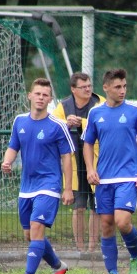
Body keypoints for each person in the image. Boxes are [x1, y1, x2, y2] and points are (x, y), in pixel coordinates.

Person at [82, 68, 137, 274]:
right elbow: (87, 143)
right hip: (104, 179)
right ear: (106, 88)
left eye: (124, 86)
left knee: (122, 221)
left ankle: (135, 256)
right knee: (106, 225)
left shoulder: (134, 110)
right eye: (117, 87)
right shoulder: (95, 113)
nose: (122, 91)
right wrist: (90, 169)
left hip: (128, 176)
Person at [2, 78, 74, 274]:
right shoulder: (19, 121)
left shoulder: (58, 126)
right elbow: (13, 146)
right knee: (30, 235)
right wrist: (7, 162)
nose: (41, 98)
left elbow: (67, 158)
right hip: (27, 187)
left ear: (50, 99)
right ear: (30, 96)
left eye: (45, 95)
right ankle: (58, 266)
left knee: (36, 227)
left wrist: (67, 189)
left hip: (49, 185)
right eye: (38, 94)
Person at [53, 72, 104, 252]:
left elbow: (102, 122)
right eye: (83, 87)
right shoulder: (63, 106)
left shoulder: (100, 103)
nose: (88, 89)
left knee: (97, 207)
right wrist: (66, 123)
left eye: (89, 85)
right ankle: (80, 248)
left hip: (97, 161)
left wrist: (81, 121)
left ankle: (92, 248)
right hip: (74, 162)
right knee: (78, 207)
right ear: (73, 89)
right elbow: (55, 125)